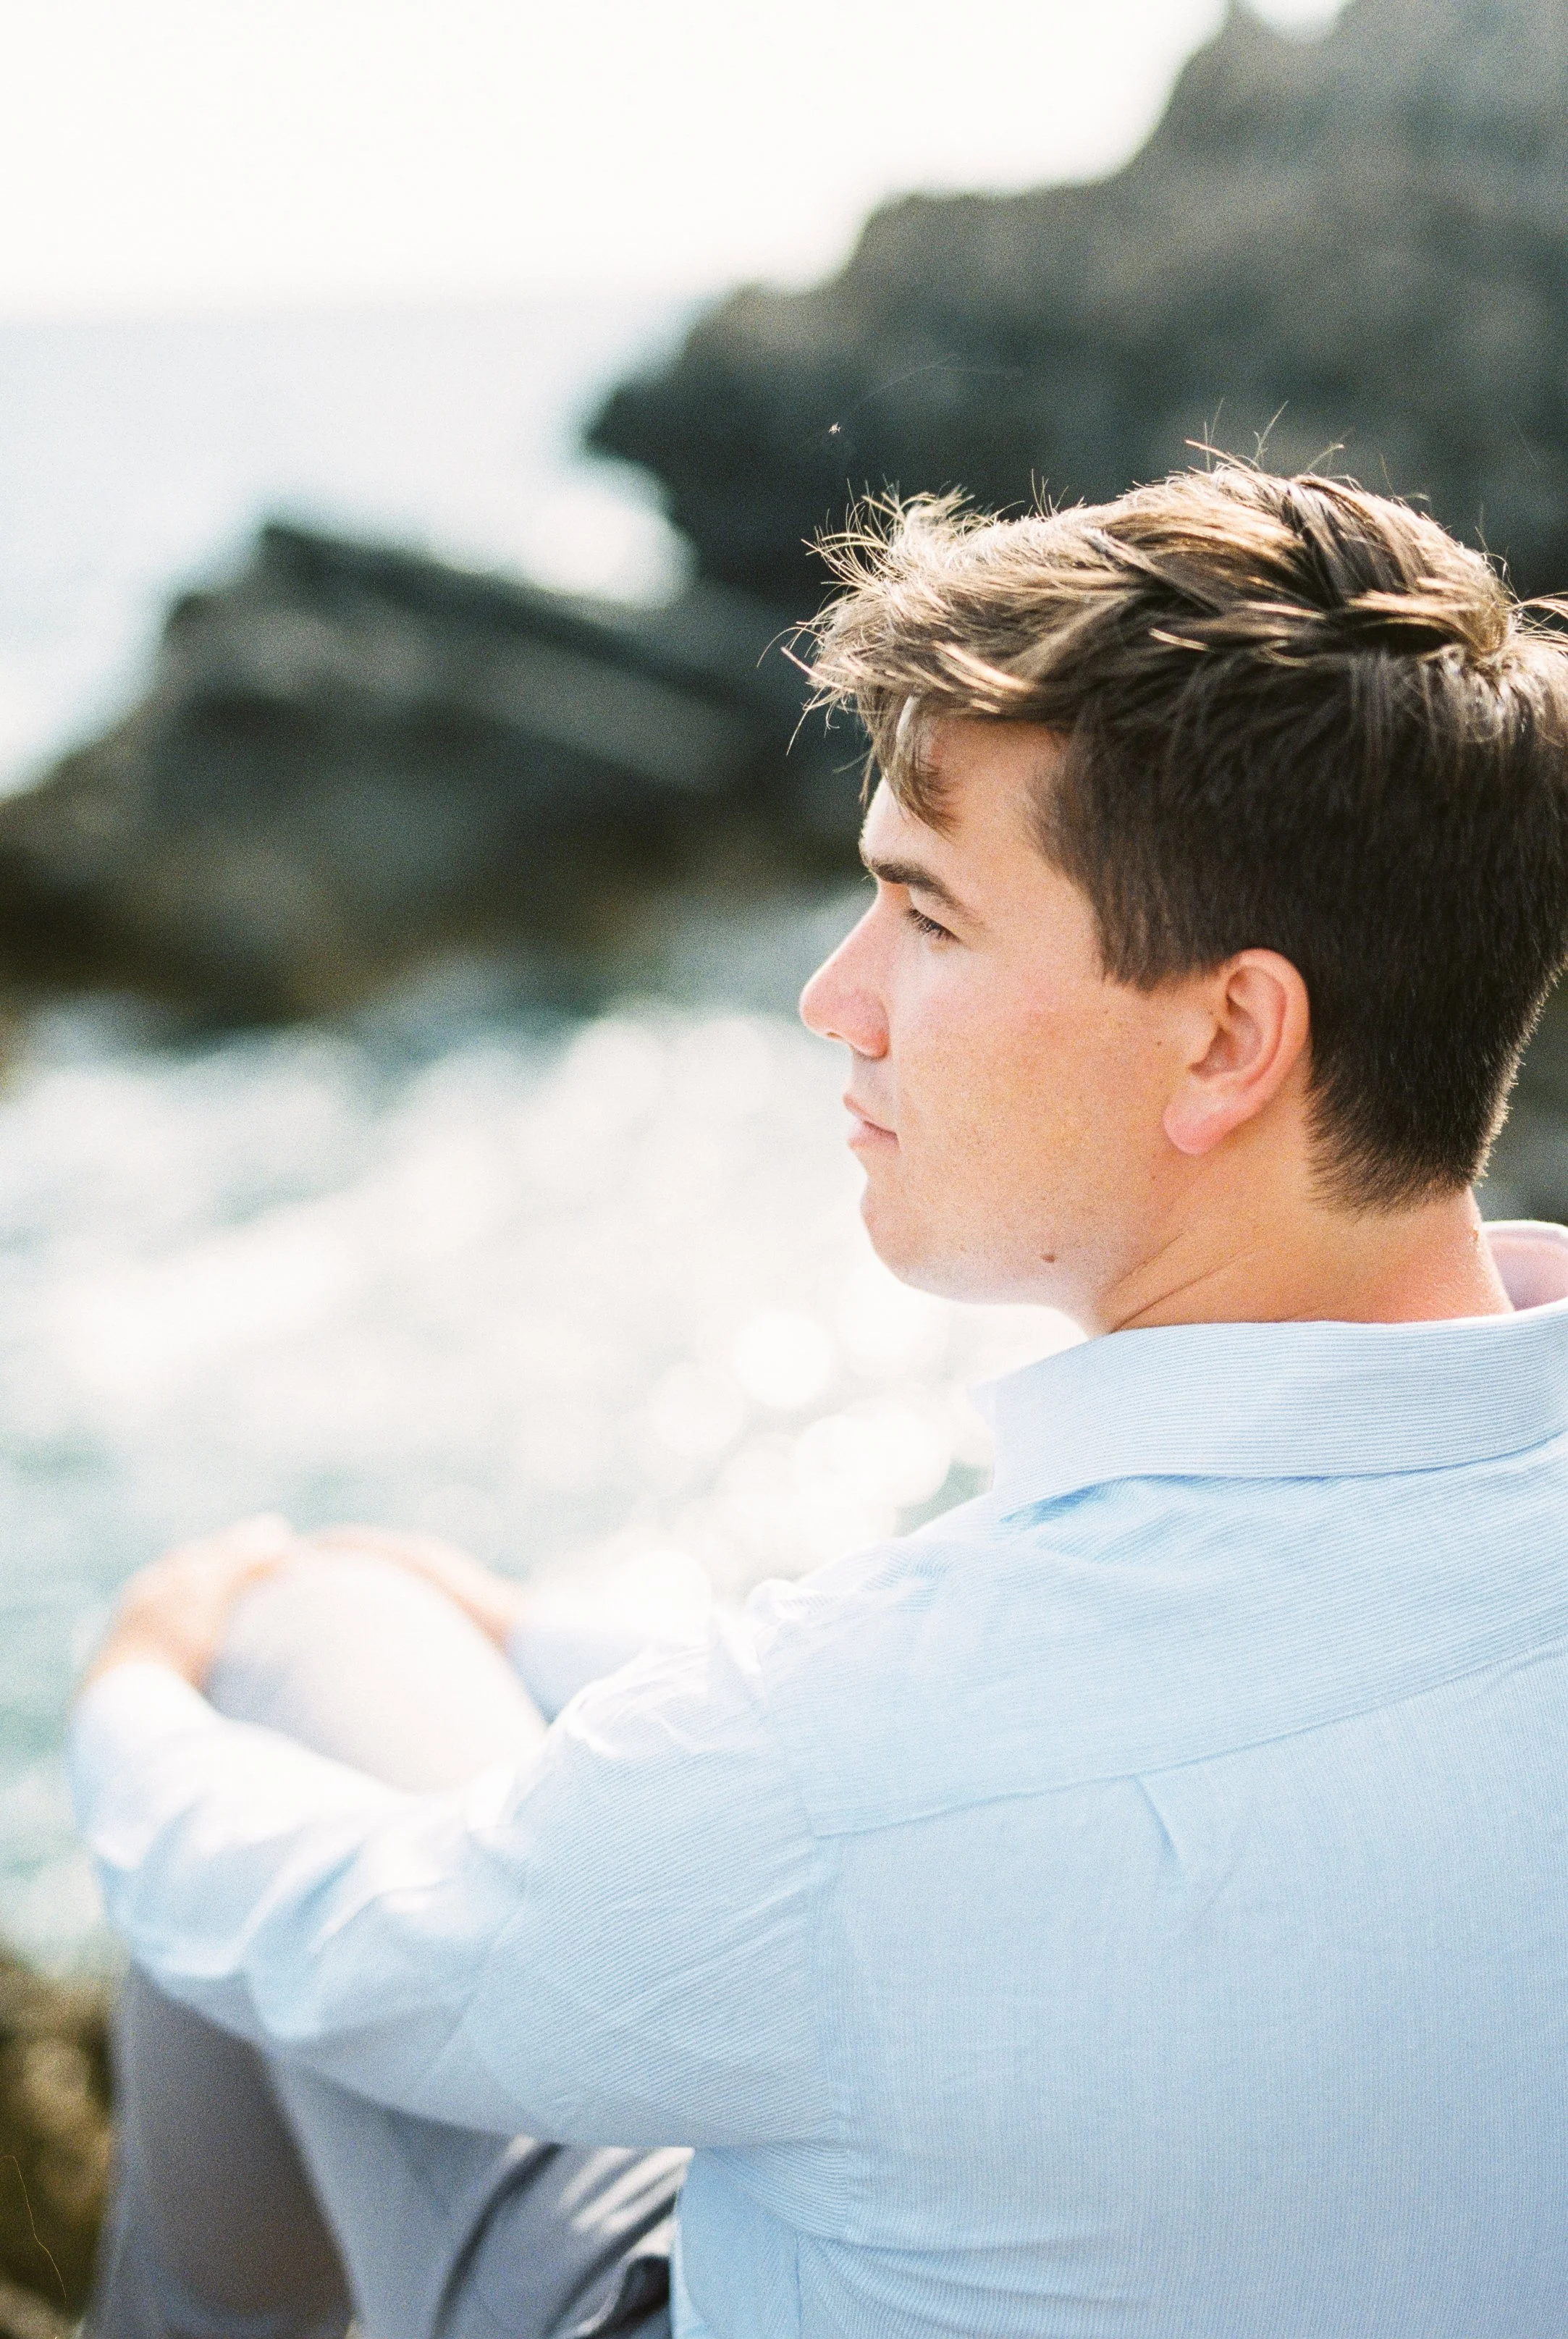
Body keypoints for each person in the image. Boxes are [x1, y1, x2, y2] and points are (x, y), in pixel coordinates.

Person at [72, 464, 1568, 2339]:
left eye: (924, 918)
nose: (832, 999)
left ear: (1225, 1036)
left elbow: (365, 1945)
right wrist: (548, 1639)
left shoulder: (868, 1736)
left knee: (298, 1639)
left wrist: (135, 1703)